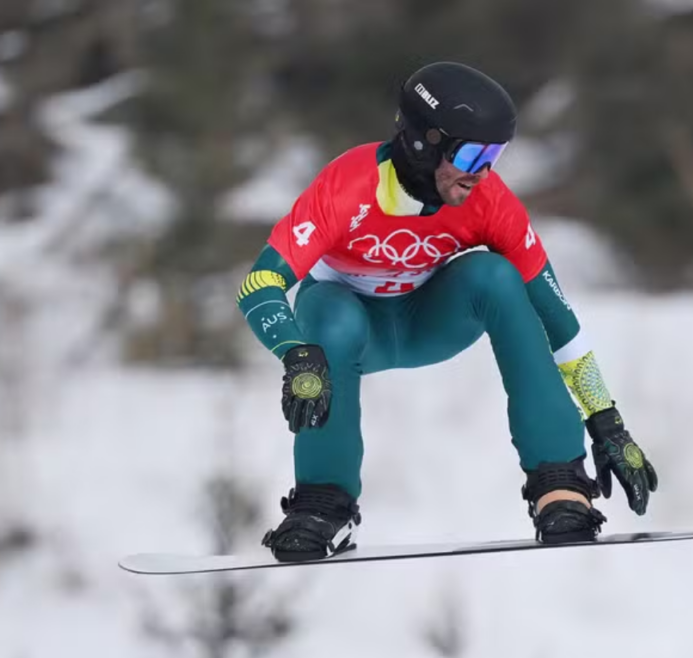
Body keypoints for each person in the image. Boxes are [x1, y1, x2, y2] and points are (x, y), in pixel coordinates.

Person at [237, 62, 657, 562]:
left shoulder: (488, 201)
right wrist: (296, 353)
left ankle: (559, 482)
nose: (483, 172)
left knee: (494, 276)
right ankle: (323, 503)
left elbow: (556, 315)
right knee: (328, 309)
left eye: (496, 155)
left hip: (426, 324)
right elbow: (259, 283)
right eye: (473, 153)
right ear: (423, 141)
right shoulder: (348, 185)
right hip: (348, 334)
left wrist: (605, 419)